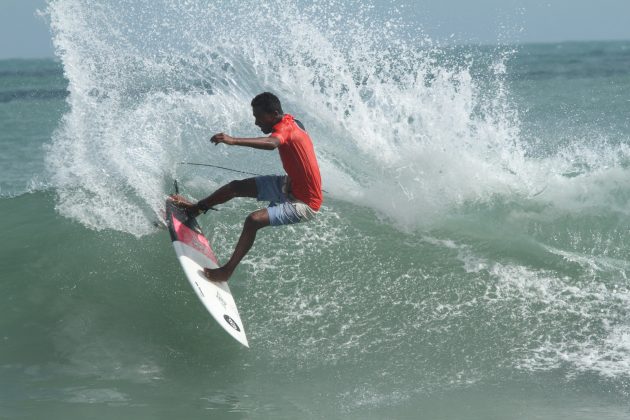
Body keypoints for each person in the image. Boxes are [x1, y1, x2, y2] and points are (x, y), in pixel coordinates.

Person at [170, 92, 323, 282]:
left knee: (253, 220)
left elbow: (272, 143)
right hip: (290, 185)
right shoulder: (293, 122)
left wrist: (233, 140)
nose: (257, 122)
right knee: (235, 187)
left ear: (274, 113)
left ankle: (226, 271)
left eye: (259, 117)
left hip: (305, 203)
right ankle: (195, 209)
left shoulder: (285, 129)